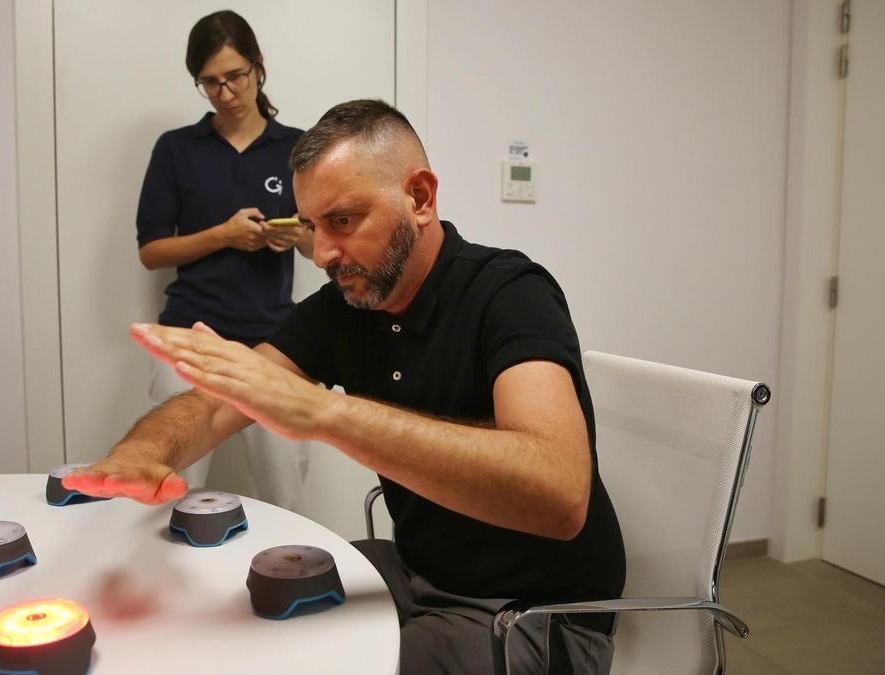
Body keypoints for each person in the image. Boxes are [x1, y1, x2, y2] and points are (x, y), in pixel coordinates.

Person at [72, 99, 626, 675]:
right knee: (243, 623)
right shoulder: (349, 305)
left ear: (420, 198)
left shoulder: (510, 293)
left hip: (533, 615)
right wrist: (143, 452)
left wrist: (325, 414)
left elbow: (558, 494)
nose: (324, 254)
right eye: (312, 227)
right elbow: (221, 402)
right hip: (417, 573)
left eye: (342, 221)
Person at [133, 10, 311, 512]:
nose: (225, 92)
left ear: (258, 67)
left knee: (286, 492)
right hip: (189, 336)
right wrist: (223, 235)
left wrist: (297, 236)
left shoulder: (297, 147)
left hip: (273, 340)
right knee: (169, 488)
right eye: (209, 83)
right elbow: (151, 252)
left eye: (234, 77)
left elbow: (322, 246)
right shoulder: (175, 149)